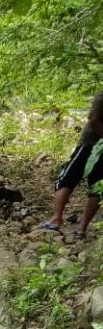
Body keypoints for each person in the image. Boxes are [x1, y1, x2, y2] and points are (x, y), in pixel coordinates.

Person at [42, 92, 103, 237]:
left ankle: (56, 219)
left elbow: (93, 120)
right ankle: (82, 229)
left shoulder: (101, 96)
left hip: (90, 144)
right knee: (97, 187)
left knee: (66, 179)